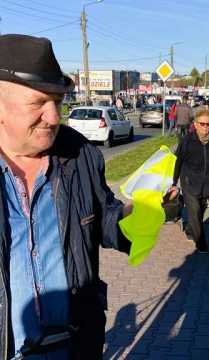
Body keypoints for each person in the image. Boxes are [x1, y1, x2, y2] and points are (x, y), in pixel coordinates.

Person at [0, 34, 133, 359]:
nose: (54, 117)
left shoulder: (80, 154)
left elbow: (105, 222)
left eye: (58, 102)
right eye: (38, 103)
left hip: (75, 345)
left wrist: (142, 214)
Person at [169, 109, 209, 253]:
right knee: (194, 210)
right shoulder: (187, 141)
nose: (205, 127)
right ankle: (201, 242)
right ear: (195, 125)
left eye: (208, 124)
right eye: (202, 124)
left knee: (200, 210)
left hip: (207, 183)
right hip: (189, 181)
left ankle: (191, 229)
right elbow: (177, 162)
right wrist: (173, 183)